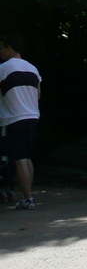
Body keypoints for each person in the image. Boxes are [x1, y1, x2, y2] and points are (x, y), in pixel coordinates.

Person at [0, 35, 40, 209]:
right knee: (27, 157)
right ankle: (28, 195)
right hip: (32, 115)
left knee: (19, 159)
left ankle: (28, 199)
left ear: (9, 48)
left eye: (1, 48)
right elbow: (38, 94)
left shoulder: (4, 68)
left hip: (14, 117)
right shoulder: (33, 69)